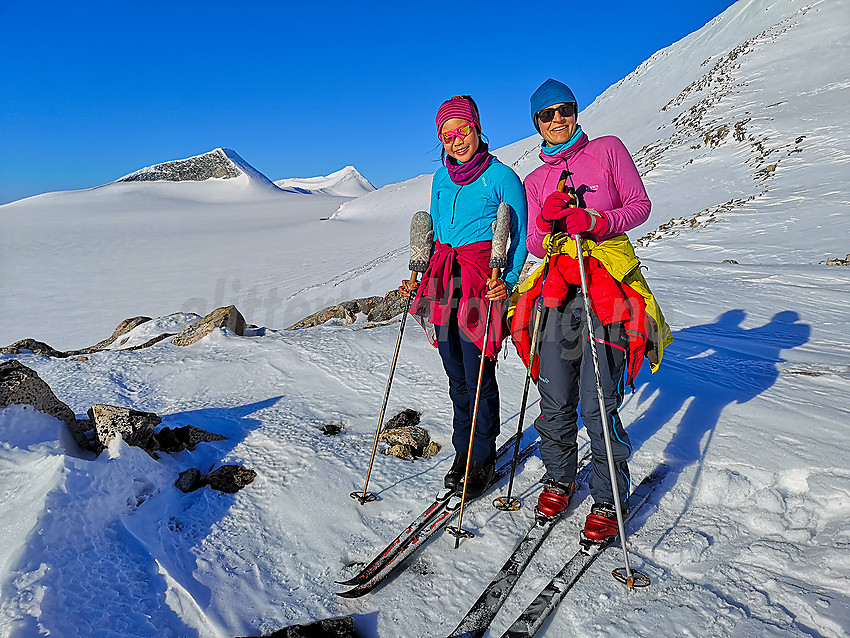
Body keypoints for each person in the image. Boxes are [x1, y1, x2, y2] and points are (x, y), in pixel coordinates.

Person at [514, 78, 671, 542]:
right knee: (555, 394)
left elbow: (639, 206)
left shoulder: (606, 150)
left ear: (576, 111)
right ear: (536, 123)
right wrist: (547, 223)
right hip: (561, 290)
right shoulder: (535, 180)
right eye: (547, 115)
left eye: (565, 109)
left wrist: (597, 220)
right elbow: (535, 244)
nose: (558, 119)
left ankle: (608, 495)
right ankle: (559, 477)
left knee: (597, 400)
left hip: (607, 286)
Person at [402, 95, 528, 498]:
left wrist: (506, 280)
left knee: (477, 374)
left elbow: (520, 237)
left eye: (463, 131)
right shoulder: (440, 179)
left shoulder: (502, 176)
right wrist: (420, 279)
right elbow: (437, 234)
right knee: (455, 373)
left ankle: (483, 455)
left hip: (478, 278)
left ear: (477, 129)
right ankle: (464, 450)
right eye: (447, 135)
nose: (456, 141)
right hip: (442, 281)